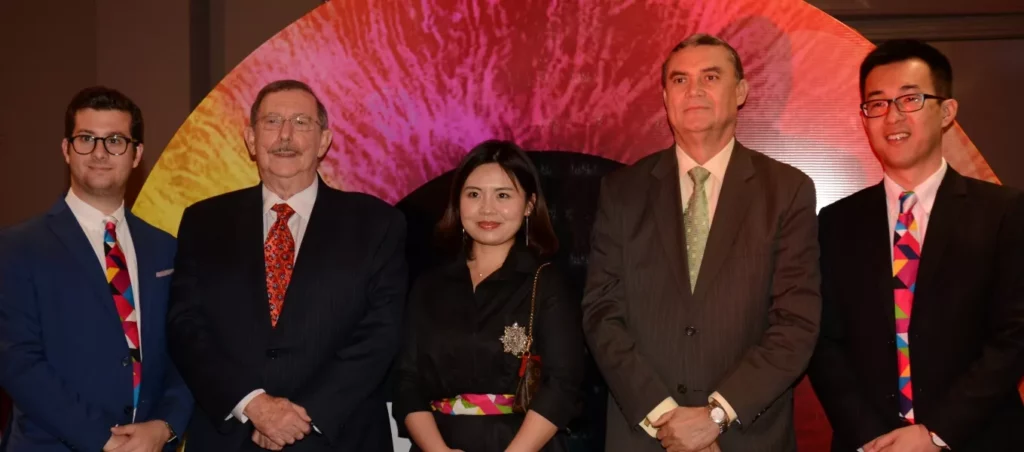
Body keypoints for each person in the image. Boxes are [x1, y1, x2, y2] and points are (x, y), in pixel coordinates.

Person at [581, 33, 822, 452]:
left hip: (747, 437)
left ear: (740, 91)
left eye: (710, 77)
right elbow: (601, 313)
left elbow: (796, 322)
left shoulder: (786, 191)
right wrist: (664, 418)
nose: (693, 90)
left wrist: (715, 416)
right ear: (665, 97)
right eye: (680, 80)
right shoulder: (622, 192)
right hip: (646, 436)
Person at [807, 39, 1024, 452]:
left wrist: (935, 432)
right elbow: (822, 340)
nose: (893, 116)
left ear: (946, 112)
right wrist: (870, 437)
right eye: (878, 103)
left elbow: (1015, 337)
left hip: (978, 437)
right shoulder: (834, 223)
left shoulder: (1005, 213)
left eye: (910, 99)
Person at [167, 79, 407, 451]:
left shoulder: (377, 223)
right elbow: (186, 327)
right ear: (250, 139)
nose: (285, 136)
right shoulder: (203, 222)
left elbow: (382, 332)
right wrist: (255, 405)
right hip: (231, 438)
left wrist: (303, 416)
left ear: (324, 141)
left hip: (340, 437)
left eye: (301, 122)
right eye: (272, 121)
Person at [0, 86, 193, 451]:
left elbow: (186, 351)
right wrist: (104, 440)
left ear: (136, 154)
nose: (100, 153)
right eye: (86, 139)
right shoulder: (16, 248)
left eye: (115, 140)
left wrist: (165, 426)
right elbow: (17, 362)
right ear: (66, 150)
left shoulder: (165, 249)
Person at [393, 140, 584, 452]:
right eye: (473, 195)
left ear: (529, 205)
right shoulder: (429, 285)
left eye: (503, 195)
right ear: (458, 203)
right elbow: (406, 380)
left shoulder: (547, 284)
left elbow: (562, 385)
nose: (487, 208)